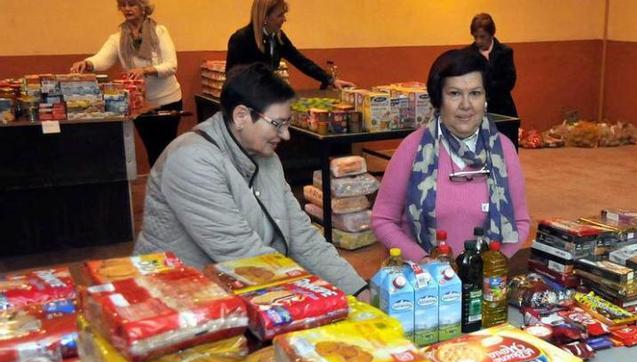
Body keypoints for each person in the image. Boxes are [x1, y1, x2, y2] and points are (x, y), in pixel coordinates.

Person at [134, 63, 369, 298]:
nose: (286, 135)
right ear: (241, 116)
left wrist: (358, 290)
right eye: (278, 124)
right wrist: (310, 298)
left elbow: (302, 236)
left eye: (288, 123)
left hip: (240, 290)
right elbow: (242, 254)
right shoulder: (191, 160)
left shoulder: (267, 159)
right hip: (178, 300)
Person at [371, 49, 530, 262]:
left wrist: (490, 265)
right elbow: (383, 220)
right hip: (424, 280)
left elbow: (520, 223)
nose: (466, 105)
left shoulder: (503, 149)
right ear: (439, 99)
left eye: (475, 93)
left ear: (485, 98)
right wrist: (426, 262)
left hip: (485, 282)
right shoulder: (413, 148)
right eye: (454, 94)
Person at [70, 0, 183, 167]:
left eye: (132, 4)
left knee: (166, 150)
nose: (127, 9)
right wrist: (87, 63)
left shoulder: (159, 31)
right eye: (123, 5)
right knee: (152, 149)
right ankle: (158, 189)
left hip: (167, 100)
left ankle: (171, 188)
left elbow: (171, 65)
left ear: (143, 8)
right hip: (139, 103)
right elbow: (103, 59)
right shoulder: (117, 38)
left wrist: (145, 70)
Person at [226, 0, 354, 90]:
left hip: (266, 100)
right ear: (265, 18)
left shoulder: (278, 37)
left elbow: (301, 61)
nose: (284, 19)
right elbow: (232, 78)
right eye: (280, 15)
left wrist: (331, 80)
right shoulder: (241, 39)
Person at [467, 13, 518, 118]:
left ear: (491, 34)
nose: (478, 41)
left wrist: (483, 87)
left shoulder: (505, 52)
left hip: (502, 109)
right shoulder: (467, 54)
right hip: (476, 110)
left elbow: (509, 82)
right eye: (475, 37)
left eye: (482, 37)